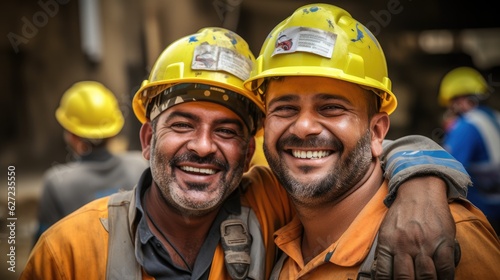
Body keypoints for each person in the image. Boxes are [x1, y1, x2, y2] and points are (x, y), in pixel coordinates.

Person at [21, 27, 471, 280]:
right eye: (181, 124)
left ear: (250, 148)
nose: (202, 146)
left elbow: (348, 157)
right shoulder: (69, 251)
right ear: (146, 140)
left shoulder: (270, 201)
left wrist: (419, 179)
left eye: (227, 130)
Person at [243, 4, 500, 279]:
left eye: (331, 107)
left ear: (377, 132)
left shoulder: (440, 243)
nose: (304, 127)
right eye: (285, 108)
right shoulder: (269, 228)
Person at [33, 81, 149, 243]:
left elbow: (42, 250)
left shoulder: (57, 183)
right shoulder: (139, 165)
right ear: (113, 131)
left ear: (72, 135)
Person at [438, 66, 500, 235]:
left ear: (460, 100)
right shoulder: (495, 117)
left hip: (486, 216)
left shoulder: (465, 126)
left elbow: (446, 171)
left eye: (451, 104)